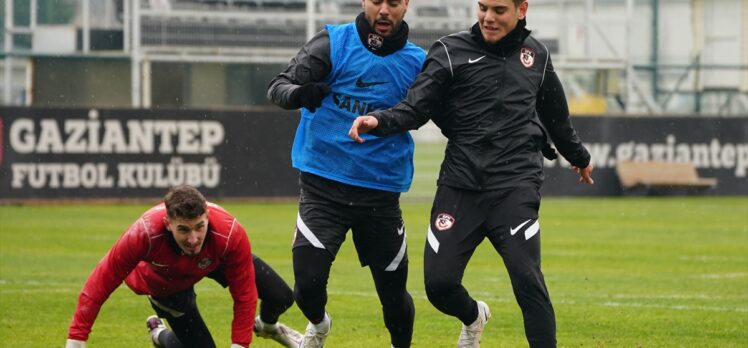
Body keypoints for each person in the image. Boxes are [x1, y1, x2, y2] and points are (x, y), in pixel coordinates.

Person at [349, 0, 594, 347]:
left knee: (528, 280)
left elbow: (556, 117)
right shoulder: (449, 51)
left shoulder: (535, 55)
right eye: (482, 8)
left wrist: (579, 157)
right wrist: (378, 121)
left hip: (515, 187)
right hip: (460, 186)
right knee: (439, 286)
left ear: (521, 9)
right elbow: (415, 108)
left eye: (498, 10)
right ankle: (474, 317)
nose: (488, 18)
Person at [266, 0, 425, 347]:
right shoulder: (332, 43)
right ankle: (319, 326)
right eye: (376, 1)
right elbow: (278, 87)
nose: (384, 10)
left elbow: (437, 112)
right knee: (306, 287)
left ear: (407, 5)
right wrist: (300, 94)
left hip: (380, 197)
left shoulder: (417, 62)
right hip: (323, 190)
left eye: (394, 2)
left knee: (394, 299)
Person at [65, 185, 303, 348]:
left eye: (199, 226)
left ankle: (267, 326)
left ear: (207, 216)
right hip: (164, 283)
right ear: (168, 223)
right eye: (184, 229)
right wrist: (76, 339)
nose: (193, 239)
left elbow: (244, 295)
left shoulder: (229, 233)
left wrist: (239, 344)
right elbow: (101, 282)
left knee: (281, 296)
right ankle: (160, 336)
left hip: (213, 261)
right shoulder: (144, 233)